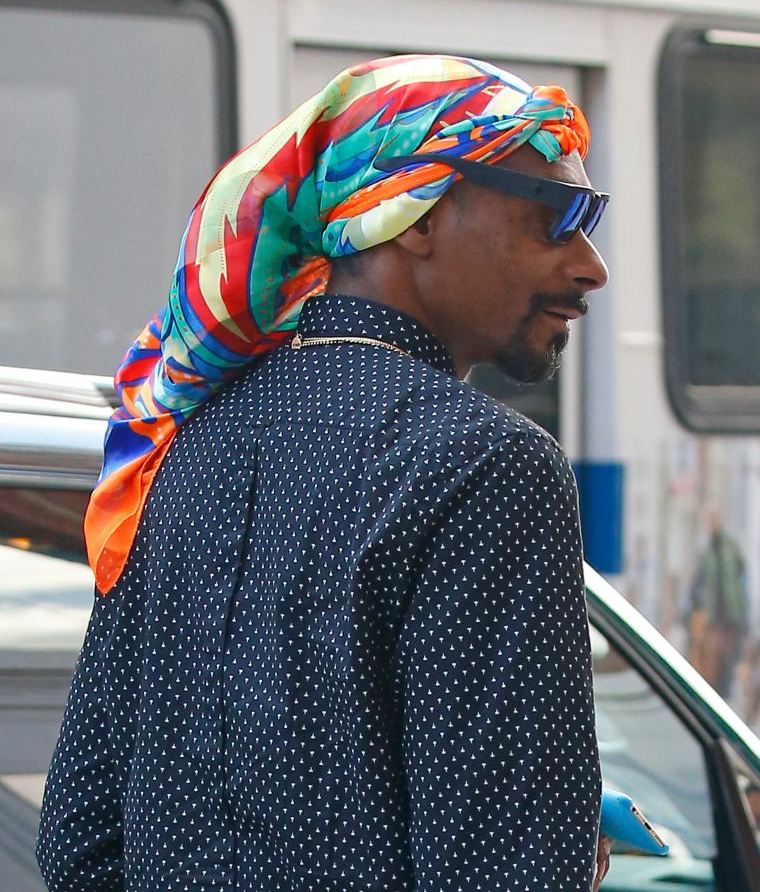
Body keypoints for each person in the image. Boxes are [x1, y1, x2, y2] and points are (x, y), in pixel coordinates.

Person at [37, 54, 611, 891]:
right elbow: (504, 870)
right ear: (414, 216)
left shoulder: (179, 443)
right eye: (557, 216)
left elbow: (82, 842)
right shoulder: (486, 465)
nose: (589, 263)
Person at [688, 507, 748, 698]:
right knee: (712, 660)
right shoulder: (706, 552)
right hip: (713, 615)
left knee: (728, 658)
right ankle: (717, 694)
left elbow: (741, 569)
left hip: (730, 614)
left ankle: (727, 696)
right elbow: (700, 582)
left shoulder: (729, 546)